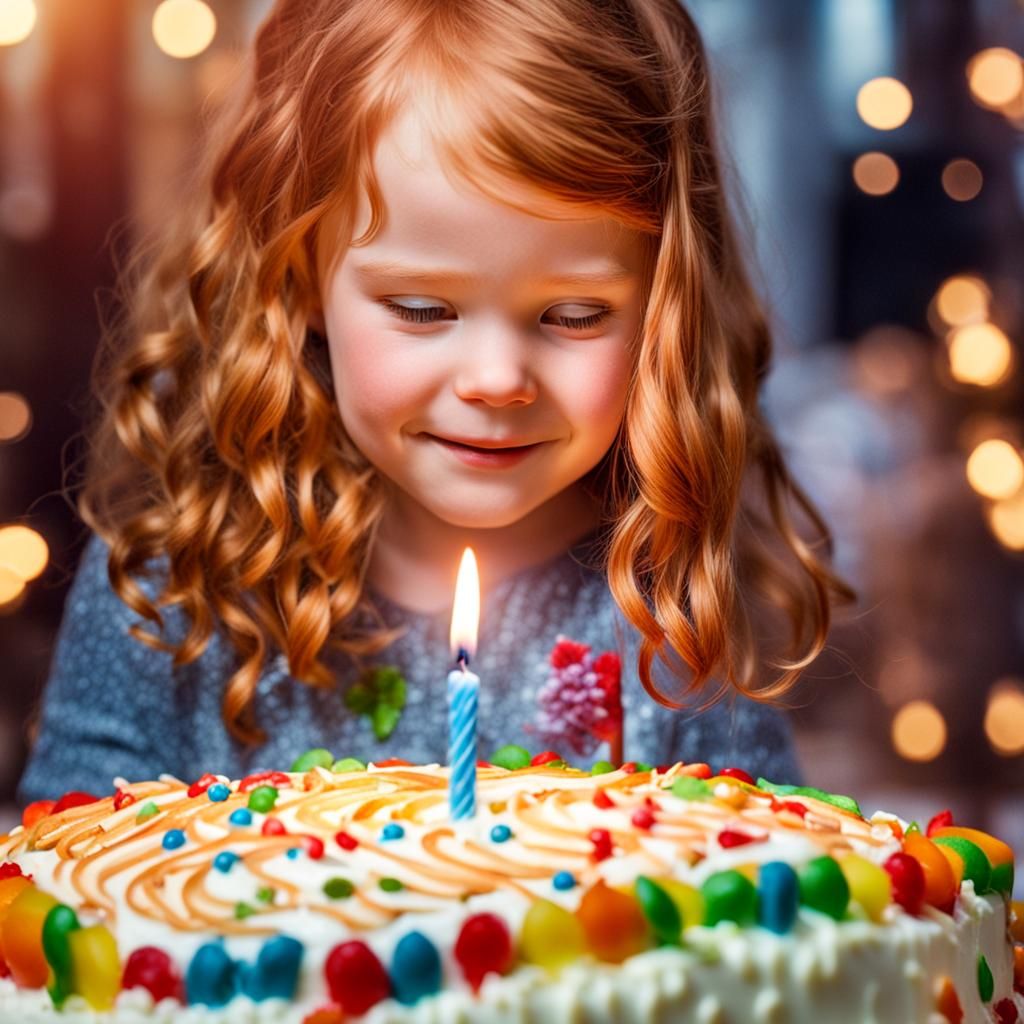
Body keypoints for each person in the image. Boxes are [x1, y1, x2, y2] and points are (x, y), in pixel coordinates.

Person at [18, 0, 854, 806]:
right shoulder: (174, 587)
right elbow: (58, 883)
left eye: (574, 315)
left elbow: (763, 891)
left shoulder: (675, 597)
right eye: (423, 310)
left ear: (666, 304)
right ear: (297, 275)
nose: (496, 378)